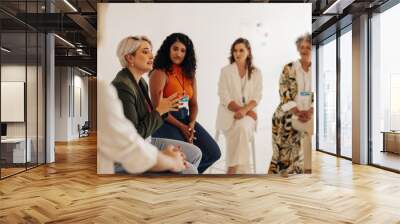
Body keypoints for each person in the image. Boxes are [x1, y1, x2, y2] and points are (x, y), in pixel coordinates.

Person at [111, 35, 202, 174]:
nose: (151, 56)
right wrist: (160, 110)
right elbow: (134, 136)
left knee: (195, 153)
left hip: (148, 140)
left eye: (151, 51)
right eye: (145, 52)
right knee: (190, 171)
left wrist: (164, 109)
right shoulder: (122, 87)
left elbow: (153, 115)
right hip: (133, 150)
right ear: (129, 58)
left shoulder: (141, 82)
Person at [149, 33, 221, 174]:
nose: (178, 53)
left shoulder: (190, 74)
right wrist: (181, 127)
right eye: (175, 49)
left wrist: (191, 123)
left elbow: (193, 104)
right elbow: (159, 109)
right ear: (168, 50)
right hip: (165, 121)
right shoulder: (159, 73)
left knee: (213, 153)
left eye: (183, 50)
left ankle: (189, 176)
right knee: (184, 157)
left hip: (186, 119)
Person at [98, 80, 188, 174]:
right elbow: (134, 139)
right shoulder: (118, 87)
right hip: (138, 144)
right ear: (130, 63)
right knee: (188, 169)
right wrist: (170, 160)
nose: (152, 64)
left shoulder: (142, 83)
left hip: (146, 139)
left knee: (196, 153)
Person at [268, 33, 313, 177]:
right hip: (286, 114)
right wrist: (298, 111)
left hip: (307, 116)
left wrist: (310, 110)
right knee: (282, 155)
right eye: (302, 47)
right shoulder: (289, 68)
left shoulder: (315, 70)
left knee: (300, 157)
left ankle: (296, 181)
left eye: (308, 47)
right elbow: (283, 91)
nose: (304, 50)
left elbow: (316, 93)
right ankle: (277, 179)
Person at [216, 38, 263, 174]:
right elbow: (223, 96)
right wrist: (244, 111)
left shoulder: (256, 72)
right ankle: (243, 173)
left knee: (241, 128)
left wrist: (245, 111)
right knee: (239, 130)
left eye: (241, 50)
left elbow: (257, 97)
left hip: (247, 115)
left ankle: (232, 169)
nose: (238, 53)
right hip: (228, 114)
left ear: (248, 52)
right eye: (235, 50)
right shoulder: (225, 71)